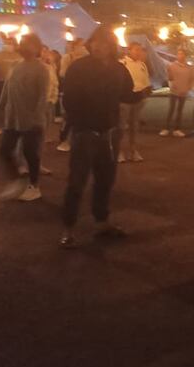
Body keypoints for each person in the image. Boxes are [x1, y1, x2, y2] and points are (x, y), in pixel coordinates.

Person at [60, 26, 134, 249]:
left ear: (111, 46)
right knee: (77, 182)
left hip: (109, 132)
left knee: (105, 180)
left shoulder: (119, 69)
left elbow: (127, 94)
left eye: (103, 43)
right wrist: (81, 121)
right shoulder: (79, 67)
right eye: (95, 42)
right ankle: (68, 228)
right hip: (86, 132)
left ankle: (102, 221)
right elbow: (69, 100)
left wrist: (142, 91)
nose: (98, 46)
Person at [0, 34, 49, 201]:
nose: (23, 47)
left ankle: (34, 186)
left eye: (28, 44)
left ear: (36, 47)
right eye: (22, 43)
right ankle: (16, 180)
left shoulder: (41, 69)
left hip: (31, 119)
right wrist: (0, 108)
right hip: (13, 117)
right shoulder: (15, 65)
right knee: (4, 150)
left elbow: (43, 96)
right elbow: (6, 88)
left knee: (30, 153)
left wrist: (36, 118)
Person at [118, 42, 151, 162]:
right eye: (136, 49)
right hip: (124, 100)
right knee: (121, 126)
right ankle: (119, 151)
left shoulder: (142, 65)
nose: (139, 52)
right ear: (129, 50)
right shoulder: (122, 64)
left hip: (137, 99)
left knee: (134, 126)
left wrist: (144, 96)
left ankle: (133, 150)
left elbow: (145, 82)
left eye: (140, 50)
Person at [57, 38, 89, 151]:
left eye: (83, 46)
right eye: (80, 45)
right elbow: (62, 73)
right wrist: (73, 65)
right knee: (69, 117)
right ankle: (64, 140)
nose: (83, 48)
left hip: (84, 92)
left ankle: (77, 140)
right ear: (74, 46)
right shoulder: (68, 57)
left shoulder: (87, 59)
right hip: (71, 91)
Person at [161, 48, 194, 137]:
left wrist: (188, 88)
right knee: (171, 110)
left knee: (180, 111)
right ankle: (166, 128)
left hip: (183, 91)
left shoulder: (189, 67)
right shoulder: (172, 66)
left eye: (182, 54)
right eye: (179, 54)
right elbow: (169, 78)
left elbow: (192, 79)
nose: (180, 56)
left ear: (185, 56)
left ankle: (177, 129)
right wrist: (171, 84)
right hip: (174, 91)